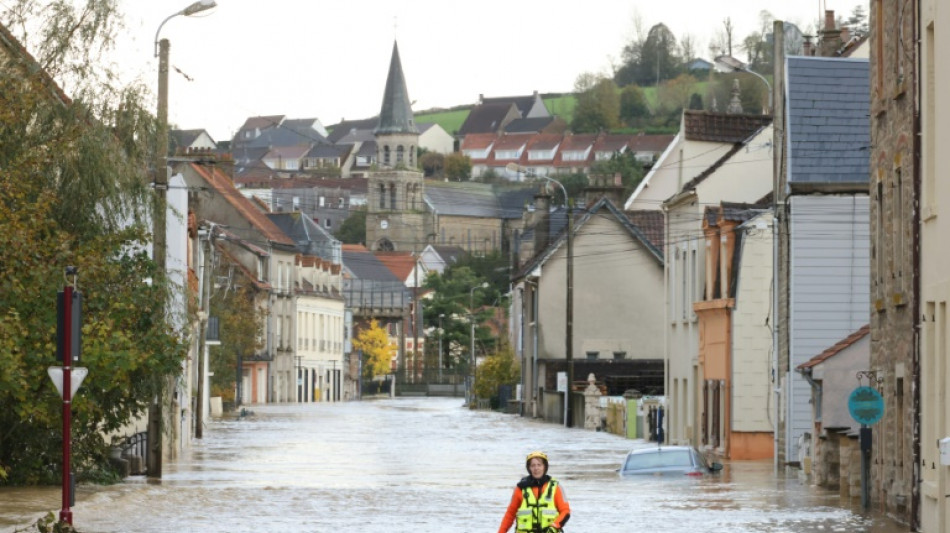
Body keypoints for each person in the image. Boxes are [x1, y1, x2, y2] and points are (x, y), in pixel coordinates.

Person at [497, 451, 571, 533]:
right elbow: (510, 515)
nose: (536, 468)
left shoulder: (556, 488)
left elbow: (565, 511)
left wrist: (555, 526)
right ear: (529, 468)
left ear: (544, 467)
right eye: (533, 465)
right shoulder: (520, 488)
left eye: (539, 465)